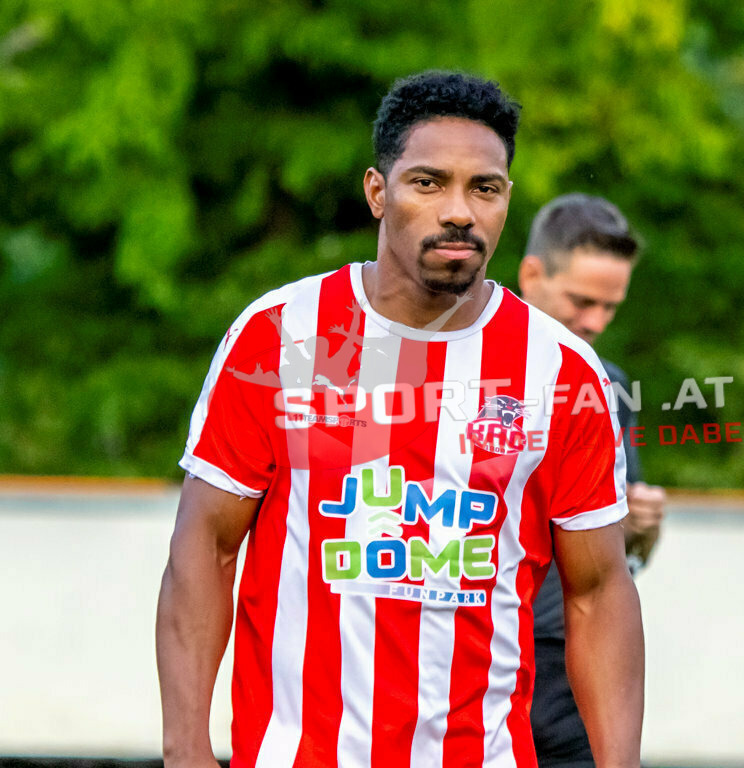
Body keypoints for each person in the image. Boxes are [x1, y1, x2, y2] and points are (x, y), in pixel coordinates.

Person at [156, 72, 644, 768]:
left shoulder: (561, 370)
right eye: (428, 183)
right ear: (378, 191)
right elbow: (206, 546)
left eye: (485, 188)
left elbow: (598, 591)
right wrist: (185, 750)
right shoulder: (282, 335)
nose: (460, 212)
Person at [517, 193, 666, 768]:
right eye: (582, 301)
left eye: (611, 307)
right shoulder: (458, 371)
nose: (596, 322)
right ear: (533, 275)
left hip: (573, 670)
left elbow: (622, 556)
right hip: (475, 657)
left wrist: (642, 528)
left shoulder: (609, 385)